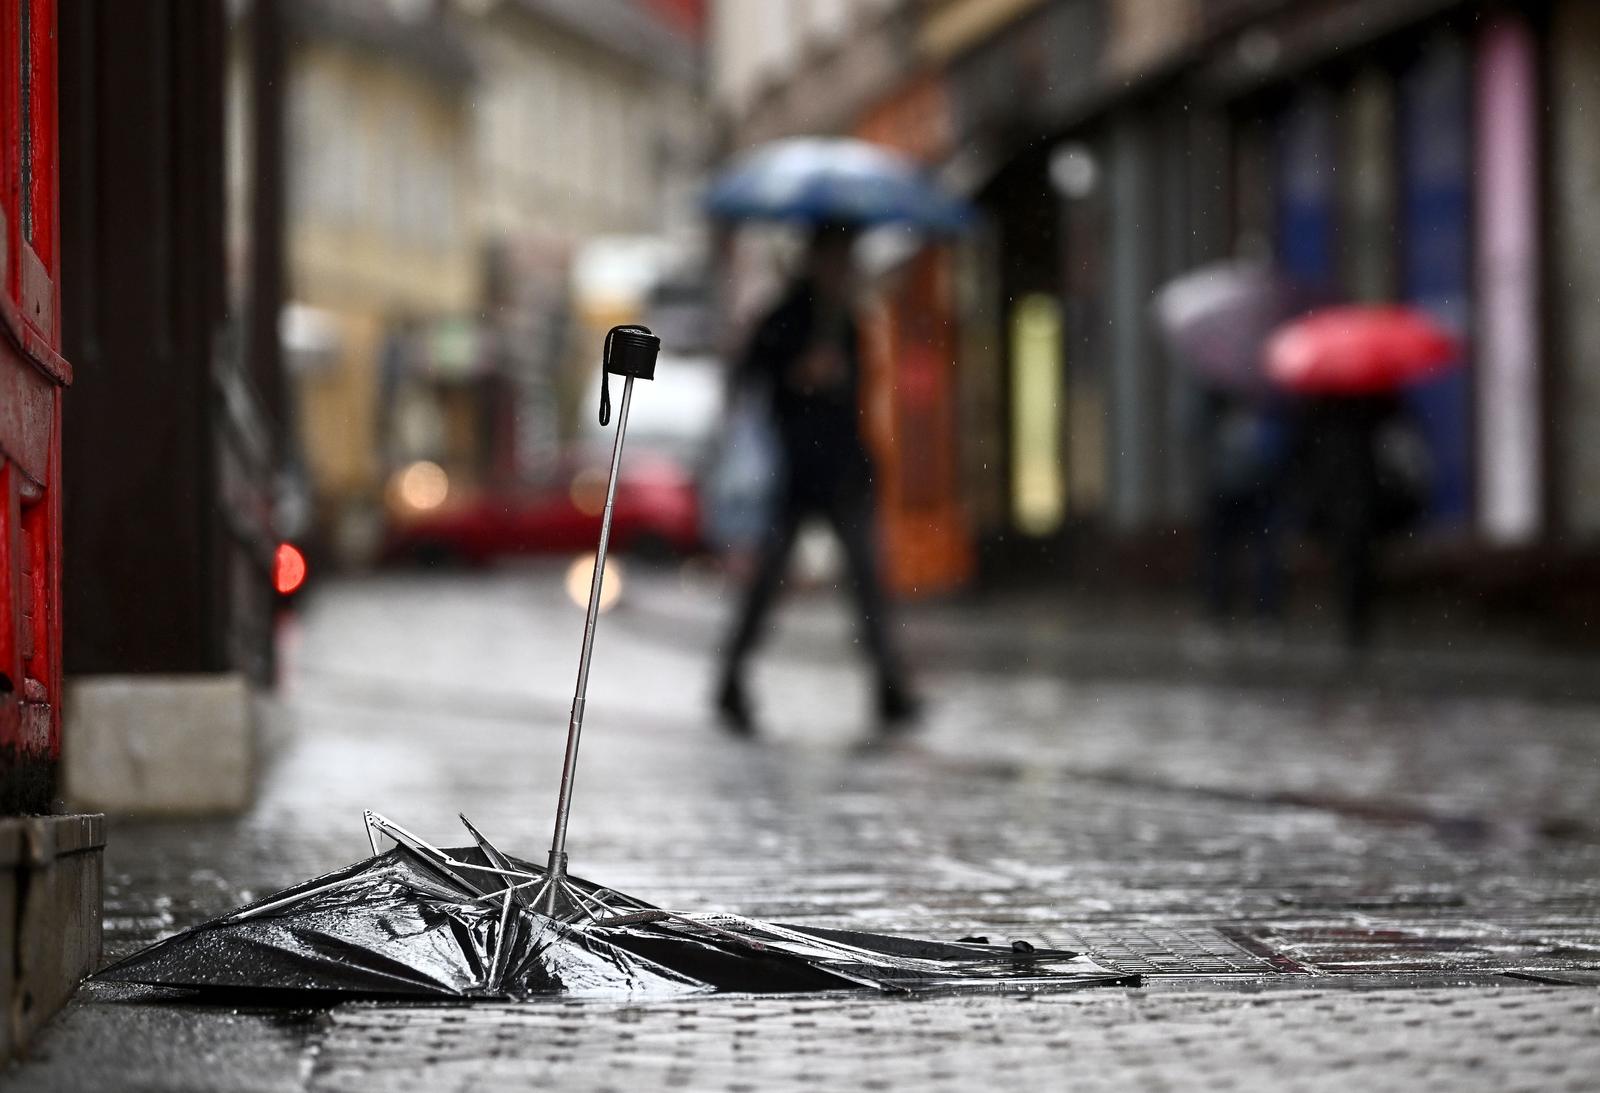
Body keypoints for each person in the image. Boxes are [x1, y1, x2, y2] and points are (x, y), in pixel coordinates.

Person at [715, 223, 919, 735]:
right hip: (797, 472)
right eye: (835, 259)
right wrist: (798, 375)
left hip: (846, 470)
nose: (842, 270)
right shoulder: (784, 319)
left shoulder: (848, 321)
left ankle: (889, 686)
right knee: (768, 582)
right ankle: (731, 680)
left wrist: (835, 377)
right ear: (816, 260)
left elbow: (860, 391)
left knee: (869, 583)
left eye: (846, 260)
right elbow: (748, 377)